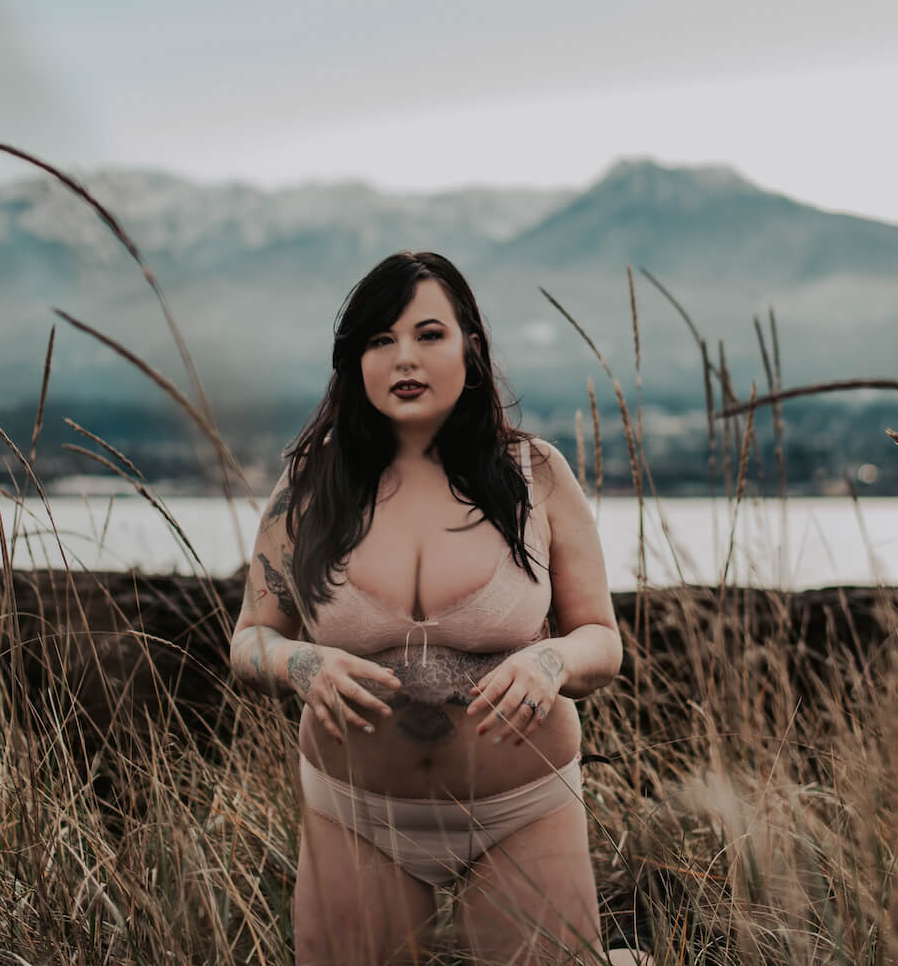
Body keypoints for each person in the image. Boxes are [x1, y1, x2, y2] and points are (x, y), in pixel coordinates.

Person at [228, 251, 627, 965]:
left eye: (428, 334)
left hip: (522, 810)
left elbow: (601, 639)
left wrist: (549, 658)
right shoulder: (311, 483)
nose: (403, 358)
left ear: (470, 347)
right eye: (380, 340)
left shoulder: (536, 475)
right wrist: (301, 662)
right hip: (354, 813)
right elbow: (251, 639)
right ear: (354, 361)